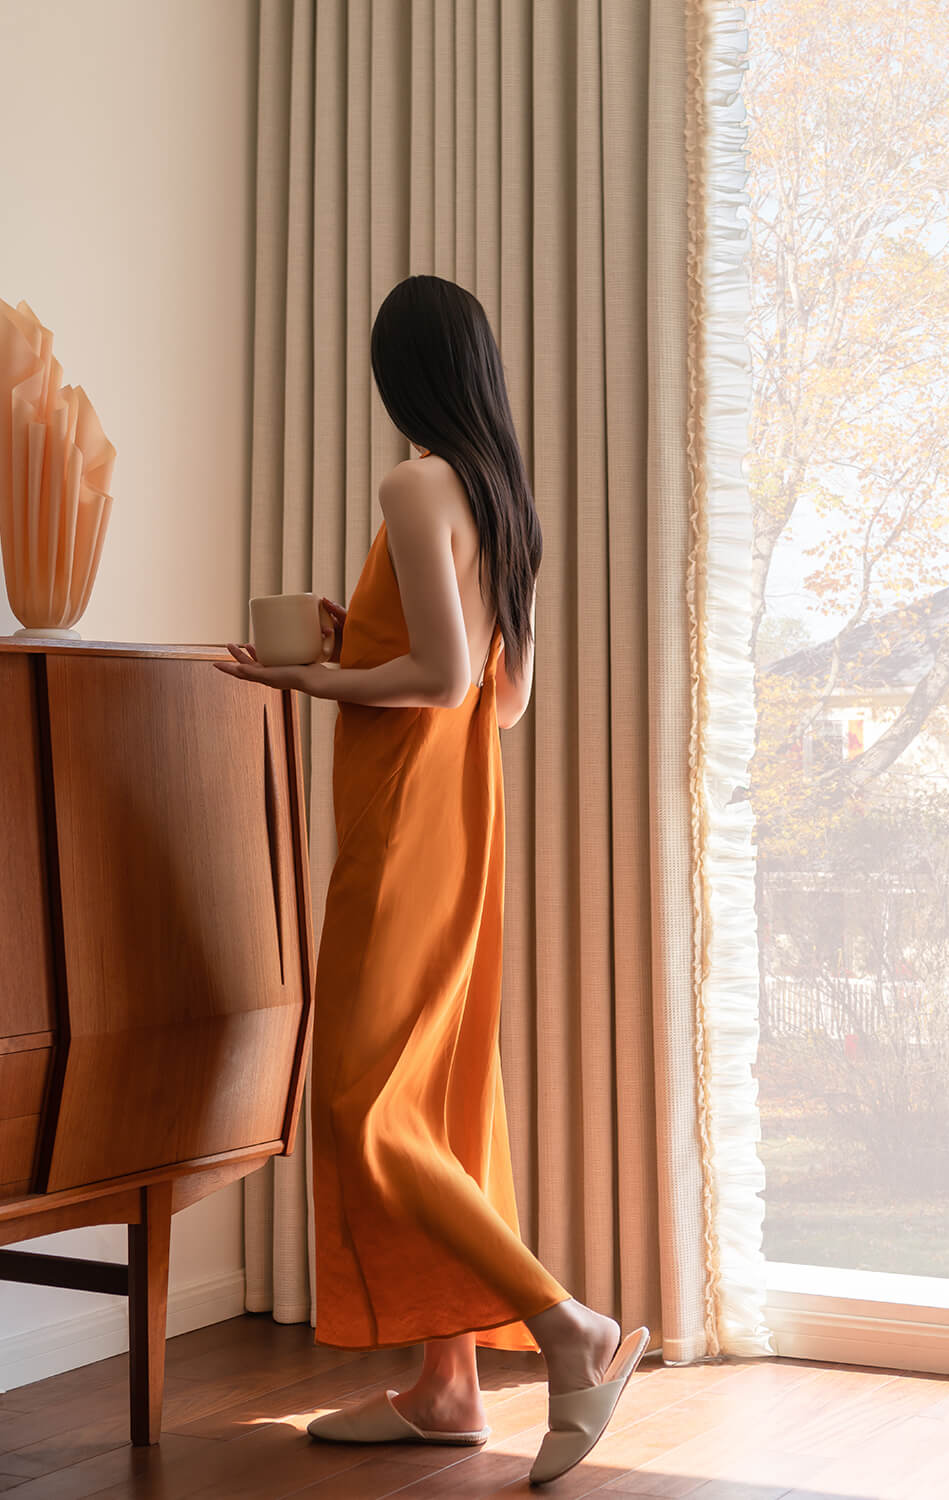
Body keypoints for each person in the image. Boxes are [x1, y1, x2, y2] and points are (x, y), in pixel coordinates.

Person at [214, 274, 647, 1484]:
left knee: (368, 1103)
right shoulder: (503, 502)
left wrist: (303, 680)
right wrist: (357, 639)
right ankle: (447, 1386)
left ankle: (570, 1328)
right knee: (440, 1096)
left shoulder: (414, 482)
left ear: (397, 374)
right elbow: (502, 698)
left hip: (407, 828)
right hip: (462, 820)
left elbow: (446, 684)